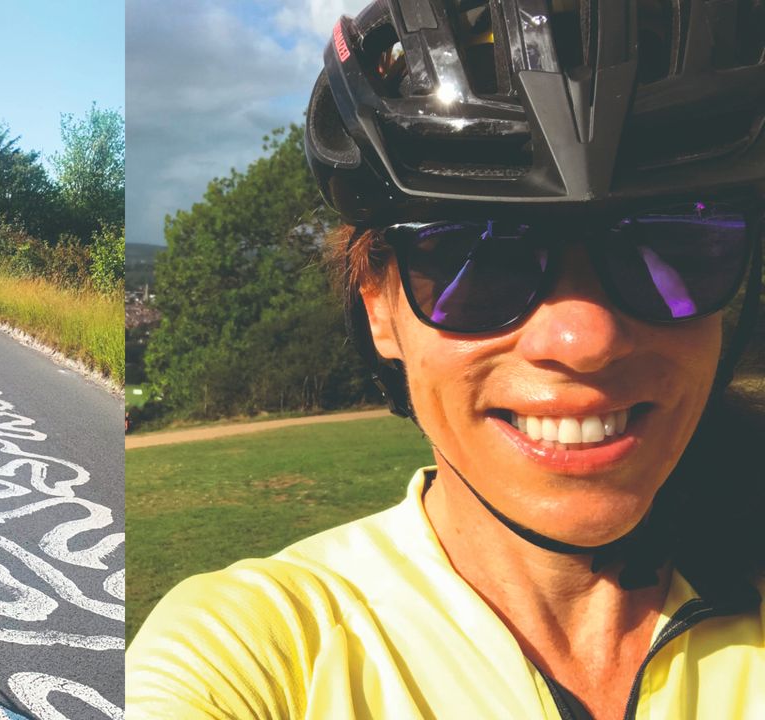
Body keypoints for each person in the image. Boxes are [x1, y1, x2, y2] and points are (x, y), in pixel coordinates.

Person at [126, 1, 765, 717]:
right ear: (378, 305)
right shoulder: (250, 653)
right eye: (477, 255)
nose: (585, 340)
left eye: (671, 243)